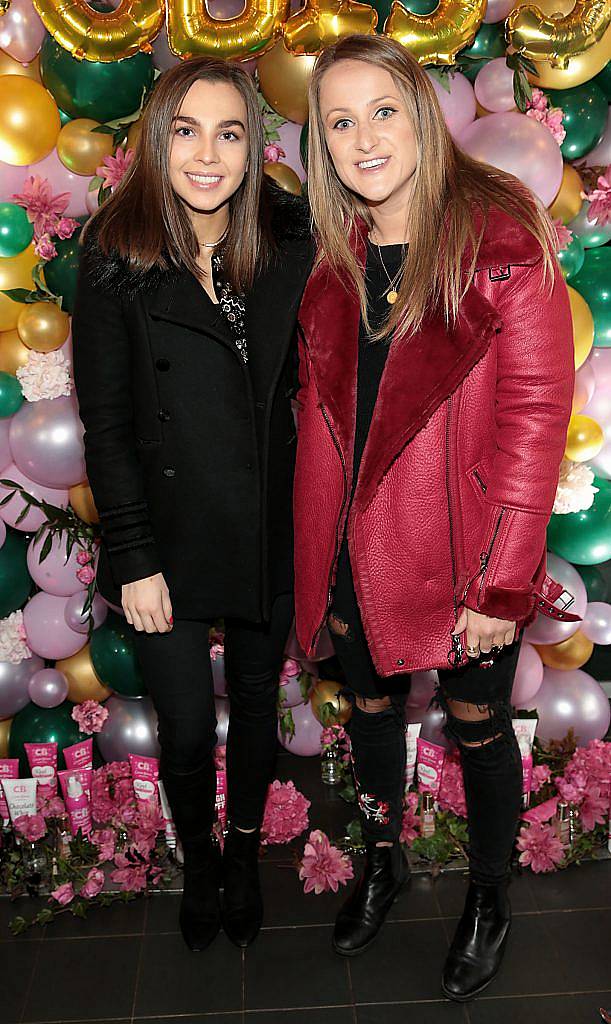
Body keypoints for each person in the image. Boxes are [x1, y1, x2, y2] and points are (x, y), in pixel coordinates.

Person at [293, 34, 575, 1001]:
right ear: (320, 144)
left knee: (476, 723)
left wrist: (502, 581)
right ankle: (383, 858)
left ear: (419, 112)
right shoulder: (335, 262)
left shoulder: (501, 246)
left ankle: (489, 897)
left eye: (381, 109)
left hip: (459, 550)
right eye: (339, 119)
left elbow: (537, 424)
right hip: (348, 545)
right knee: (370, 710)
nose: (362, 136)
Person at [72, 57, 313, 953]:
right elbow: (106, 420)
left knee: (255, 702)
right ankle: (201, 859)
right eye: (185, 131)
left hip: (269, 523)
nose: (205, 156)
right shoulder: (114, 249)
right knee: (182, 720)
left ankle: (243, 855)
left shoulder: (292, 237)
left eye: (228, 132)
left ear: (254, 146)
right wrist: (131, 555)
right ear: (156, 139)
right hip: (166, 536)